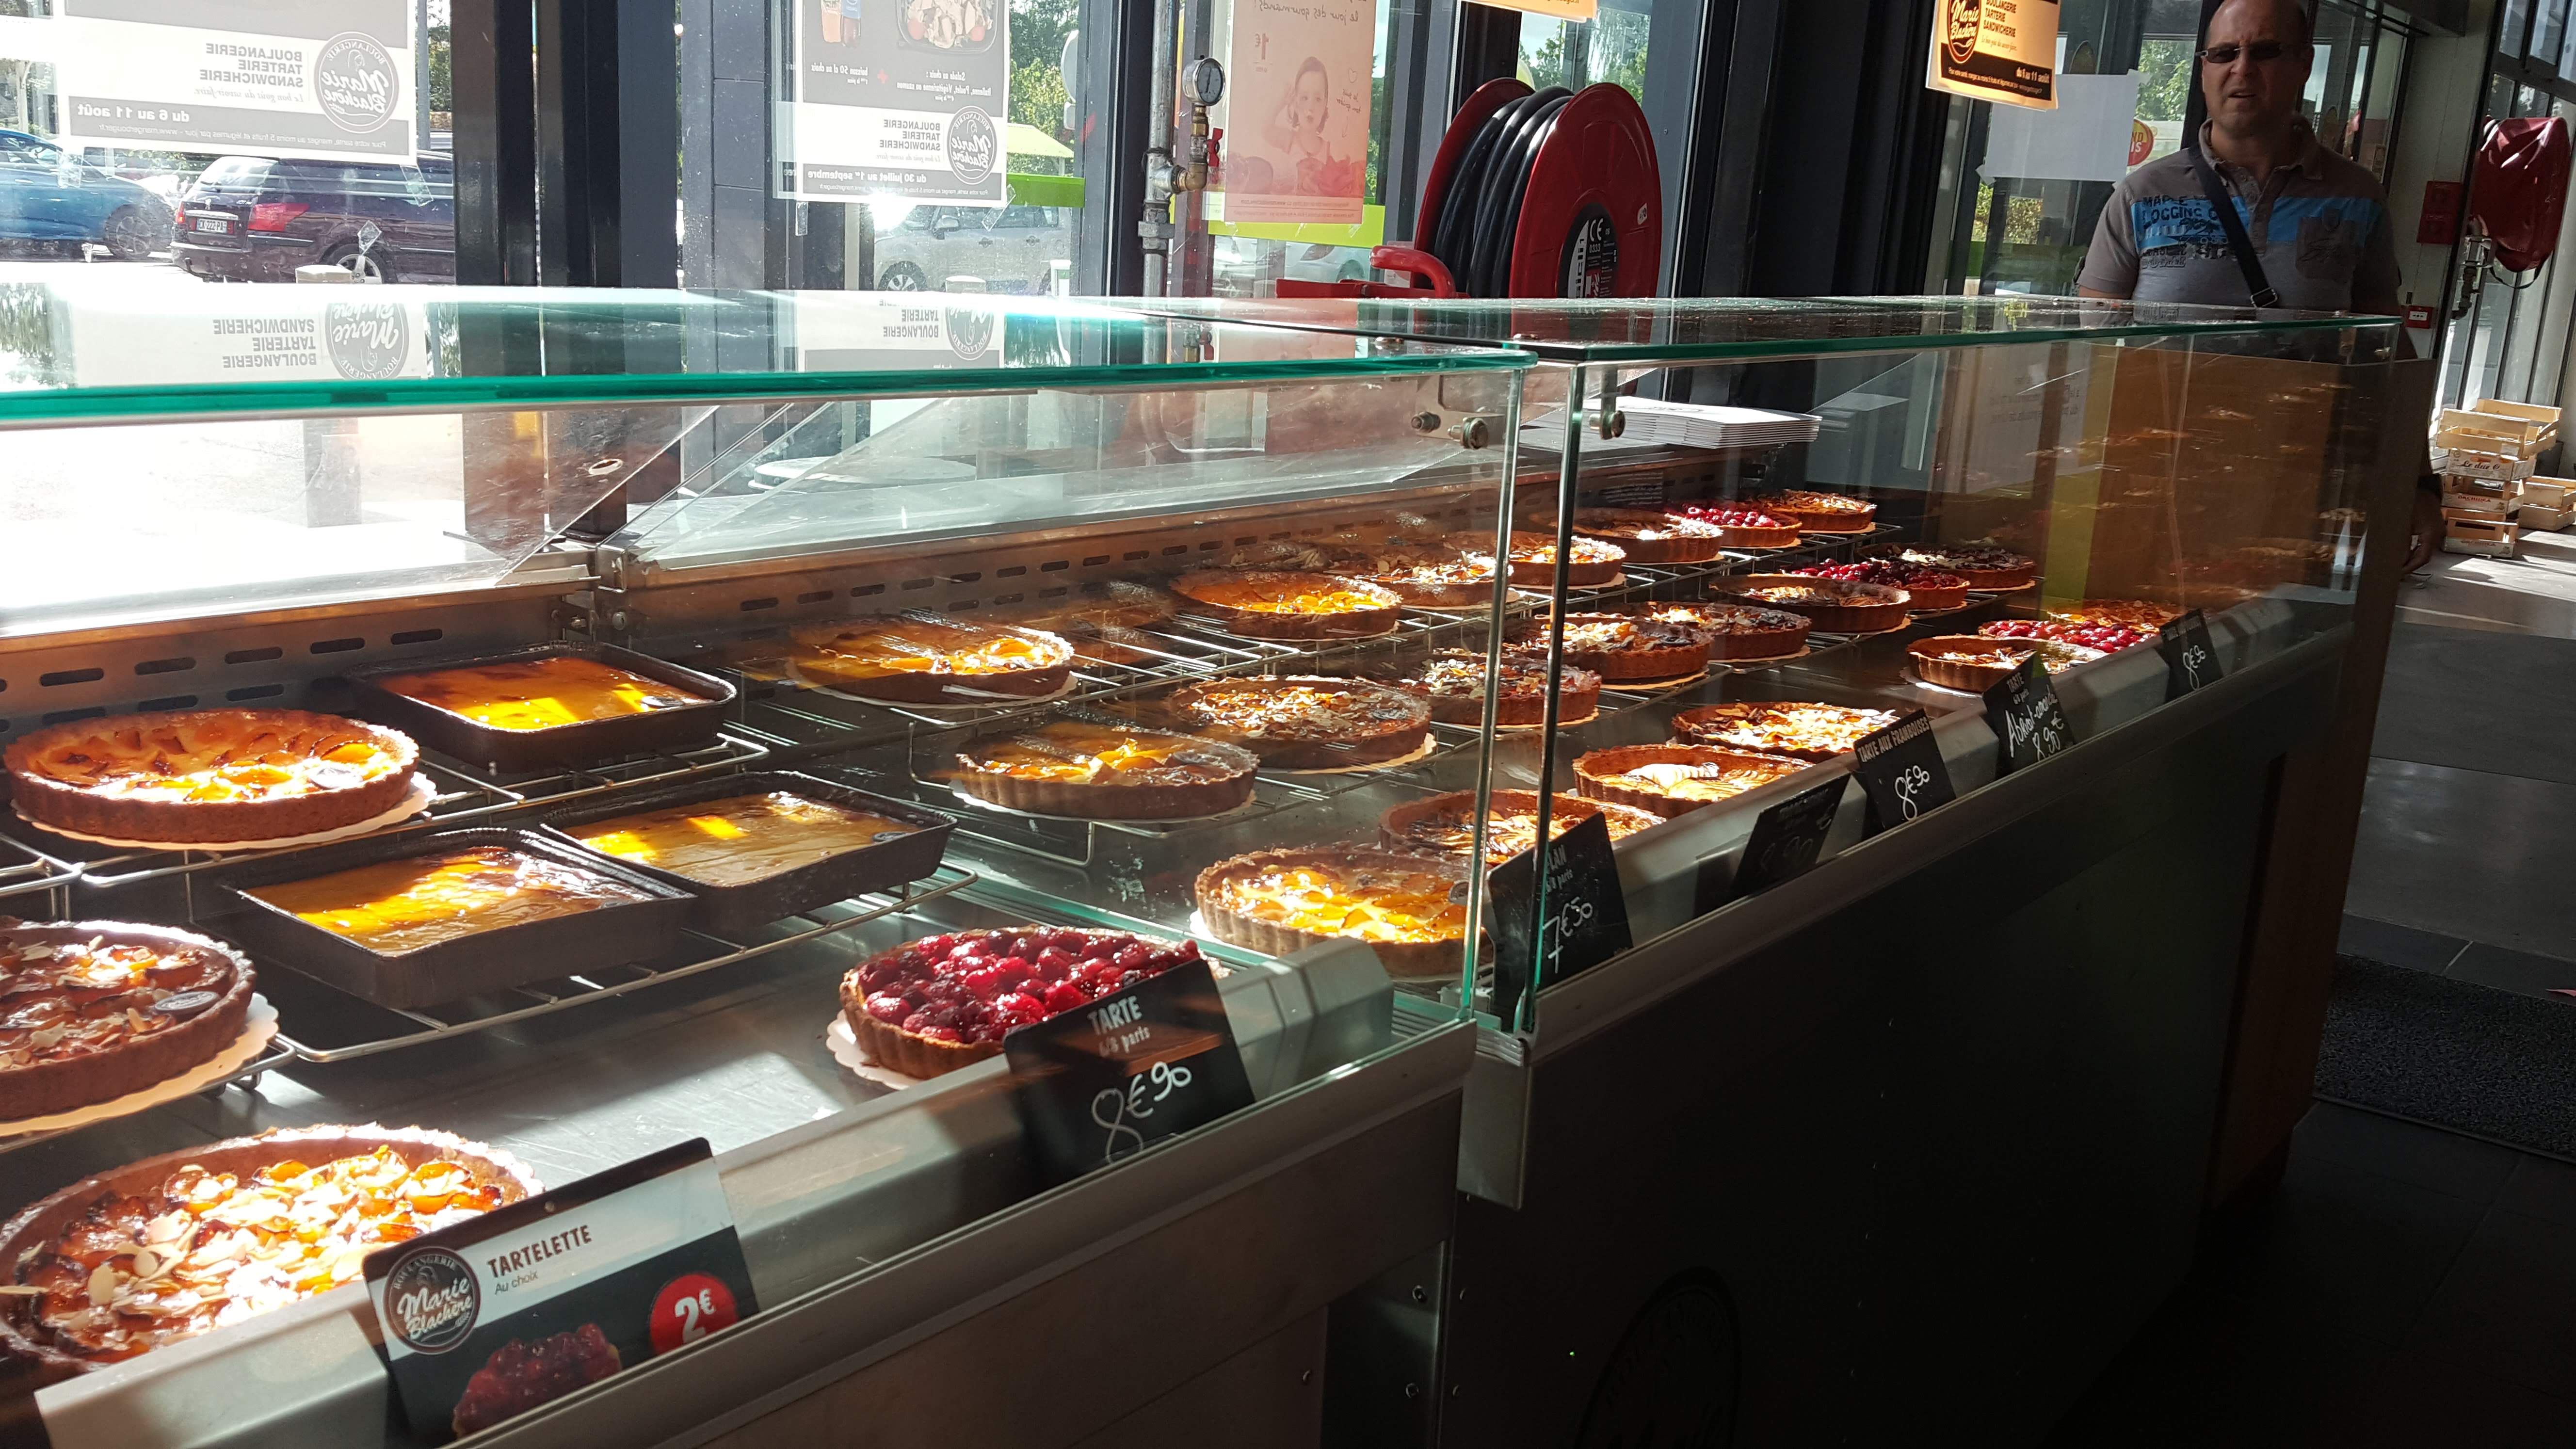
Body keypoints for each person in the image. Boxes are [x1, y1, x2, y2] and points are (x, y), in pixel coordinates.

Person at [2078, 0, 2441, 566]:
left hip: (2298, 491)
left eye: (2264, 51)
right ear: (2203, 69)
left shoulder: (2356, 197)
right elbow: (2088, 350)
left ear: (2303, 64)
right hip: (2153, 490)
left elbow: (2387, 349)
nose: (2241, 69)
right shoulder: (2140, 193)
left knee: (2282, 621)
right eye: (2224, 53)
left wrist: (2418, 482)